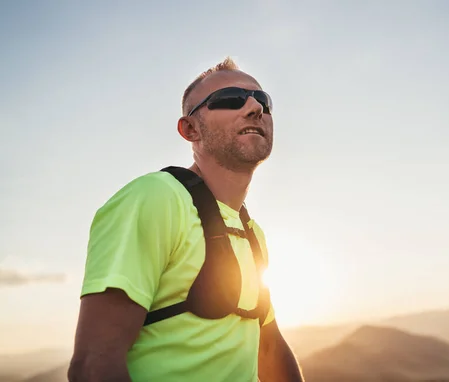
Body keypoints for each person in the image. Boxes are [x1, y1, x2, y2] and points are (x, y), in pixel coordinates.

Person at [68, 57, 305, 382]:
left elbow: (269, 350)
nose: (255, 108)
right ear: (189, 128)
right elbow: (94, 364)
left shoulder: (253, 233)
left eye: (264, 101)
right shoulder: (155, 198)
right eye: (231, 100)